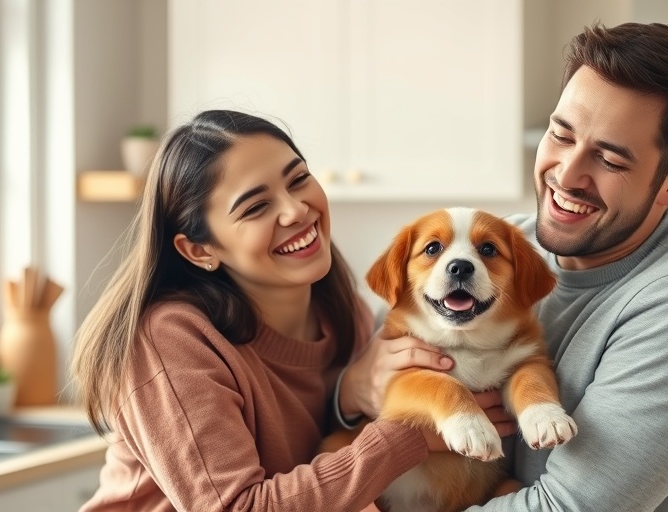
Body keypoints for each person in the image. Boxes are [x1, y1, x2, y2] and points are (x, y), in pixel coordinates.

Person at [70, 110, 513, 511]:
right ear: (200, 250)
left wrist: (347, 396)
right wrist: (410, 434)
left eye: (298, 178)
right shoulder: (170, 340)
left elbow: (324, 467)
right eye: (257, 206)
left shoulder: (345, 312)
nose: (296, 209)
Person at [462, 22, 668, 511]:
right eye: (560, 135)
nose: (566, 174)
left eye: (609, 160)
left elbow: (564, 508)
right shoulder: (502, 248)